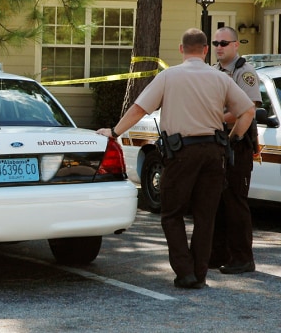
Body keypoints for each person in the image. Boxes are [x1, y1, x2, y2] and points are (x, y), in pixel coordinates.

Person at [97, 28, 255, 289]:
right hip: (214, 153)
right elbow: (247, 111)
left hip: (182, 153)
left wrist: (114, 132)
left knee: (172, 214)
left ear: (181, 50)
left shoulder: (168, 76)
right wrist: (232, 140)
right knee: (206, 216)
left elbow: (139, 108)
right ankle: (200, 273)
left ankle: (185, 272)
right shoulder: (220, 78)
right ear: (205, 50)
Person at [209, 26, 262, 274]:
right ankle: (218, 253)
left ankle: (243, 258)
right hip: (219, 142)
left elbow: (246, 111)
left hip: (237, 144)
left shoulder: (245, 73)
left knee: (236, 202)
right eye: (215, 43)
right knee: (218, 201)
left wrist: (213, 116)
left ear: (235, 45)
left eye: (224, 43)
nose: (218, 47)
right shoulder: (213, 73)